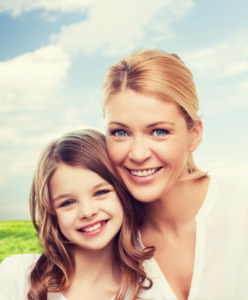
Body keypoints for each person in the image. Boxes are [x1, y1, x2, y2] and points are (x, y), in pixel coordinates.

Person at [101, 49, 248, 300]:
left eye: (159, 131)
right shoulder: (103, 237)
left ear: (195, 135)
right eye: (120, 133)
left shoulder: (241, 213)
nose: (137, 154)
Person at [0, 129, 164, 300]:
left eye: (100, 192)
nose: (87, 212)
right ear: (52, 213)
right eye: (68, 203)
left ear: (122, 193)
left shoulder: (151, 291)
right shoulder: (18, 276)